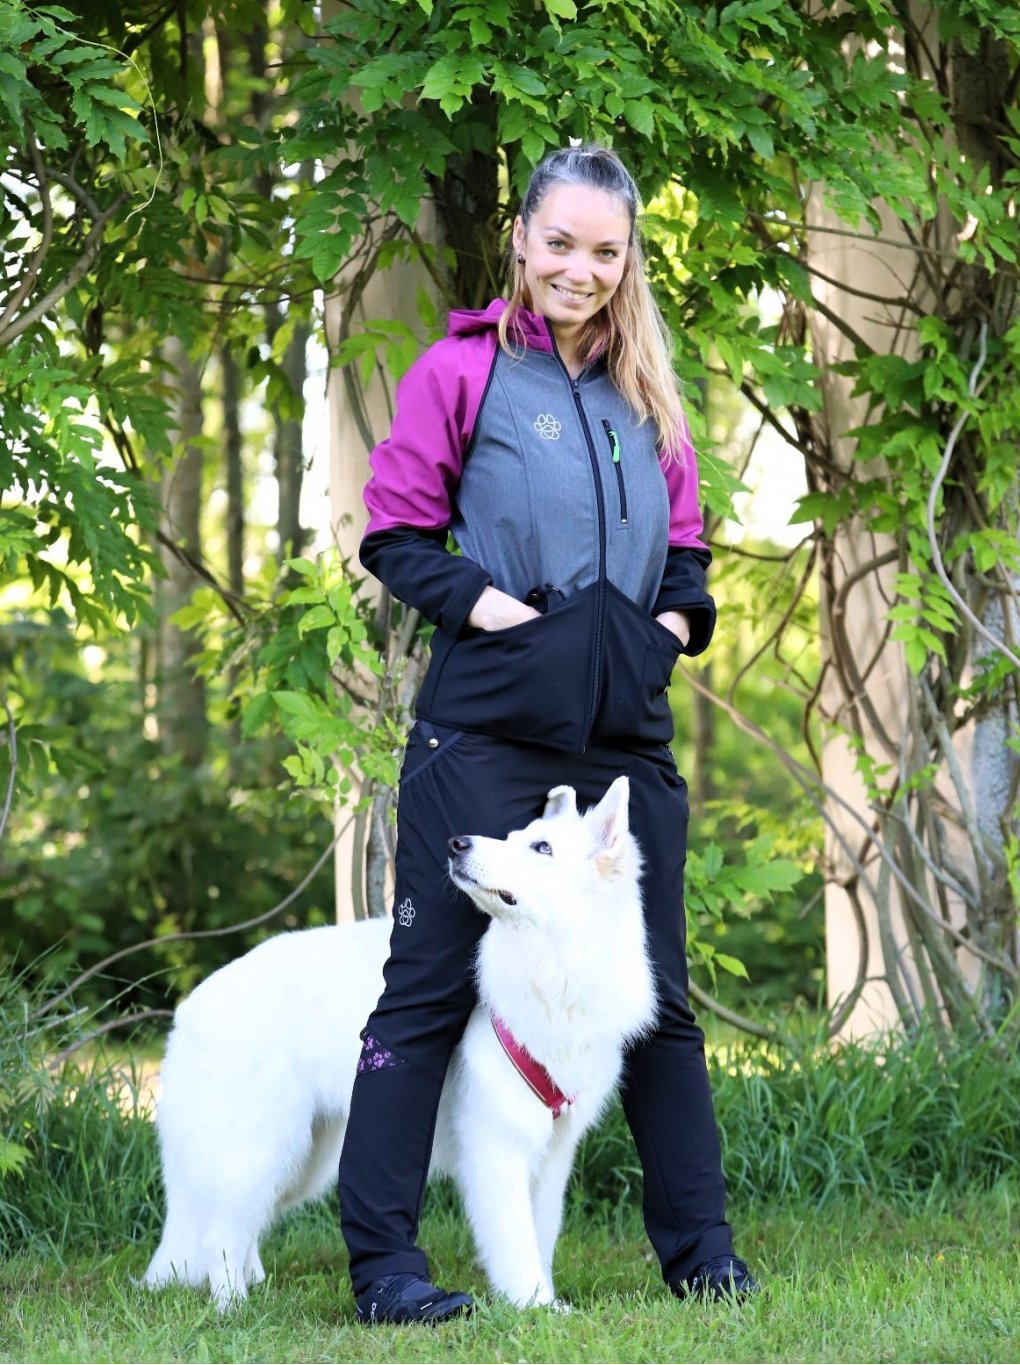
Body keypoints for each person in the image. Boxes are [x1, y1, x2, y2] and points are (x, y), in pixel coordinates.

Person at [338, 143, 757, 1325]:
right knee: (424, 992)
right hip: (483, 730)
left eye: (605, 251)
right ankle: (386, 1272)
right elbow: (397, 531)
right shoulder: (461, 371)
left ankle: (705, 1262)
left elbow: (687, 552)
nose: (580, 269)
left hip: (621, 737)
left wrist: (665, 631)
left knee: (659, 998)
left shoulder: (647, 394)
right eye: (561, 243)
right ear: (520, 240)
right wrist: (505, 616)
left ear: (628, 263)